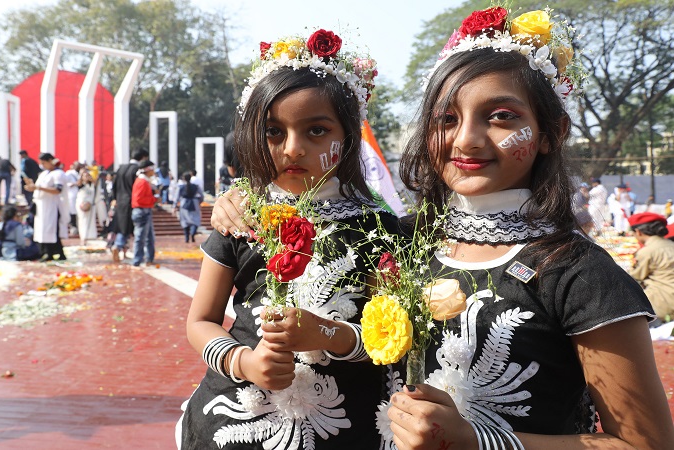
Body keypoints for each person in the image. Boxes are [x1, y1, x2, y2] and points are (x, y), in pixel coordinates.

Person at [211, 8, 674, 449]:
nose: (466, 139)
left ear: (551, 131)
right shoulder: (404, 239)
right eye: (446, 119)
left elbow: (645, 442)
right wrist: (238, 200)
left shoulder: (579, 274)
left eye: (501, 116)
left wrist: (478, 442)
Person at [178, 28, 395, 450]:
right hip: (235, 421)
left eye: (316, 131)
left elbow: (390, 338)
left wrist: (329, 335)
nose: (293, 149)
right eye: (274, 132)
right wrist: (245, 362)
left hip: (346, 430)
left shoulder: (382, 229)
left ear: (347, 137)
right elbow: (200, 321)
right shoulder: (239, 217)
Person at [627, 212, 674, 323]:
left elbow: (634, 278)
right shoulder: (671, 245)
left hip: (663, 303)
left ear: (638, 232)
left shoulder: (647, 251)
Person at [24, 153, 69, 262]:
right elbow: (39, 188)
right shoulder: (44, 174)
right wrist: (32, 187)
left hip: (52, 205)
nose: (43, 165)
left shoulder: (58, 174)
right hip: (41, 206)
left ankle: (55, 252)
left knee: (51, 230)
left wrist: (39, 188)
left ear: (50, 161)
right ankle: (46, 252)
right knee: (42, 229)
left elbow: (58, 190)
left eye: (44, 163)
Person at [110, 149, 149, 263]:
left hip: (120, 202)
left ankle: (122, 251)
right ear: (143, 158)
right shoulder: (137, 170)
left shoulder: (121, 168)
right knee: (131, 228)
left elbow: (114, 185)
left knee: (123, 226)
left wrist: (113, 198)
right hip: (132, 202)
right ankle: (118, 246)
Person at [130, 160, 158, 266]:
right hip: (142, 211)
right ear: (148, 170)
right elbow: (139, 199)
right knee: (140, 238)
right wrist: (154, 200)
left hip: (145, 210)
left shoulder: (144, 181)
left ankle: (149, 258)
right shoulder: (142, 182)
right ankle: (137, 260)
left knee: (149, 237)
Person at [76, 169, 107, 246]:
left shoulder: (92, 185)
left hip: (91, 205)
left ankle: (91, 236)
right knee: (83, 221)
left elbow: (96, 183)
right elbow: (79, 184)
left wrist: (91, 178)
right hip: (82, 205)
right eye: (85, 176)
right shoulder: (81, 184)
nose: (86, 177)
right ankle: (83, 237)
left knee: (91, 221)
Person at [174, 172, 203, 243]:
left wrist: (174, 206)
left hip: (184, 203)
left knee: (184, 221)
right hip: (194, 202)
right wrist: (199, 201)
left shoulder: (180, 187)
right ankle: (193, 233)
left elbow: (176, 197)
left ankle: (186, 237)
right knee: (195, 220)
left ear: (183, 178)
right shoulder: (196, 186)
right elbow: (201, 195)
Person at [65, 161, 83, 236]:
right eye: (77, 166)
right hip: (71, 194)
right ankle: (73, 226)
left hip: (79, 194)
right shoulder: (69, 173)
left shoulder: (81, 173)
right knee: (72, 210)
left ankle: (78, 227)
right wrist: (74, 184)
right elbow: (64, 183)